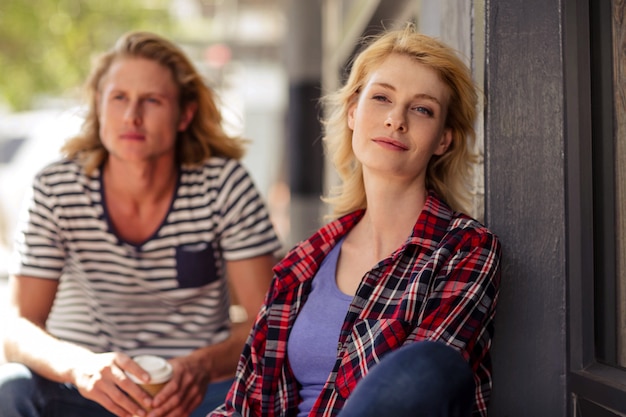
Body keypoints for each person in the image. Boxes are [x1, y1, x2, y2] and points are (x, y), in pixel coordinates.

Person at [209, 24, 502, 417]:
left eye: (422, 109)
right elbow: (245, 403)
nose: (396, 120)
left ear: (443, 139)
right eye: (381, 98)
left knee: (424, 367)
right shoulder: (303, 264)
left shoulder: (466, 251)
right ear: (352, 112)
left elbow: (413, 397)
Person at [0, 31, 281, 417]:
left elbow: (267, 324)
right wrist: (81, 367)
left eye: (152, 100)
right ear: (99, 107)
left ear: (184, 114)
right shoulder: (57, 188)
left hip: (196, 393)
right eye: (119, 98)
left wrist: (200, 367)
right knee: (12, 388)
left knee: (272, 392)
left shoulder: (224, 186)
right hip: (85, 389)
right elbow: (17, 329)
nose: (132, 116)